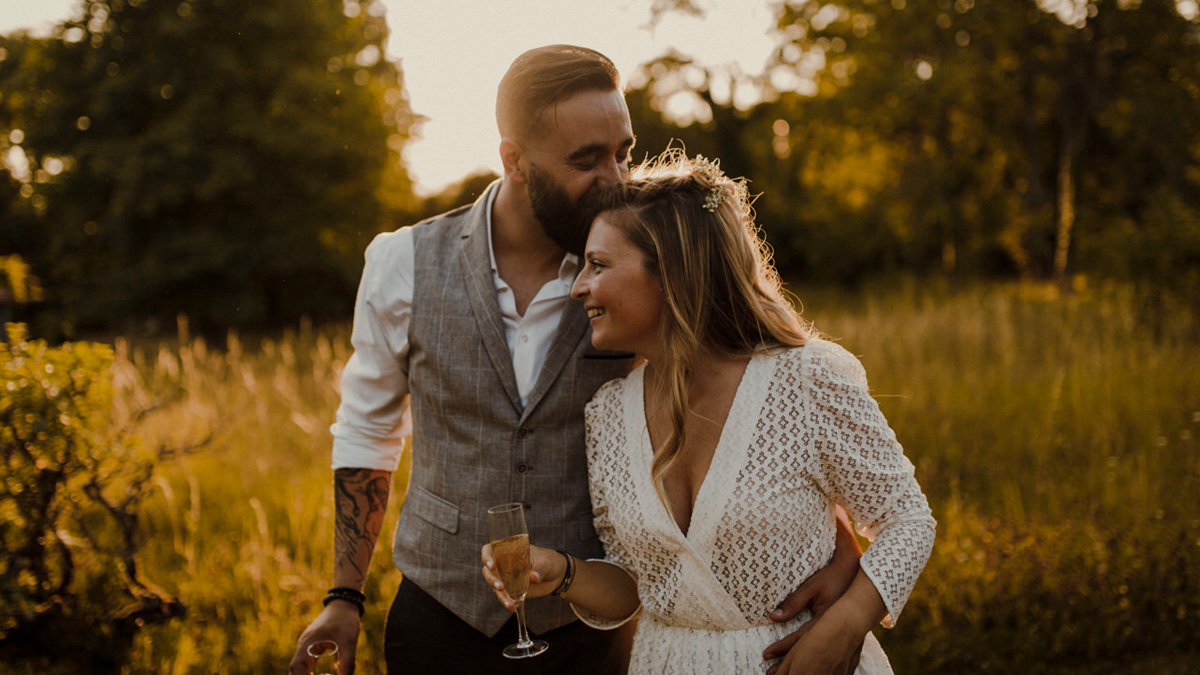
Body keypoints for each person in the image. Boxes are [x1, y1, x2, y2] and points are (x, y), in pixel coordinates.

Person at [290, 46, 861, 675]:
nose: (616, 178)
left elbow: (742, 398)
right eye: (587, 160)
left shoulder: (641, 269)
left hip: (595, 627)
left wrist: (837, 537)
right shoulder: (402, 263)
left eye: (622, 150)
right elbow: (368, 430)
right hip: (438, 618)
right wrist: (344, 596)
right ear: (513, 161)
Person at [482, 150, 937, 674]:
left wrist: (845, 625)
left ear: (671, 273)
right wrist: (559, 572)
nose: (577, 285)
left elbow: (907, 521)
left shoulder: (807, 379)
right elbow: (633, 586)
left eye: (598, 265)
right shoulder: (608, 414)